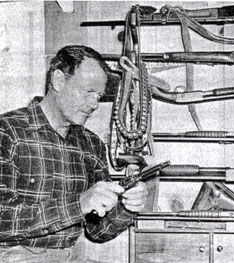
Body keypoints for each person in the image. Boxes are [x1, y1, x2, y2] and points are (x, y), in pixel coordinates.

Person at [0, 45, 148, 262]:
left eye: (98, 95)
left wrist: (127, 207)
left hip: (70, 257)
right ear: (58, 80)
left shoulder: (91, 144)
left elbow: (98, 230)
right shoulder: (7, 131)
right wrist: (79, 204)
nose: (95, 104)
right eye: (88, 92)